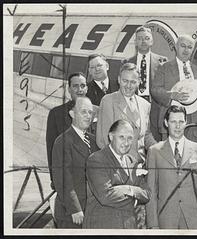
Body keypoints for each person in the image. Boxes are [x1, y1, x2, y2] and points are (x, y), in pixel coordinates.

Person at [146, 105, 197, 229]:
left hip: (195, 220)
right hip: (166, 221)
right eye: (173, 122)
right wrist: (153, 225)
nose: (177, 126)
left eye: (181, 122)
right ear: (166, 123)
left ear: (186, 122)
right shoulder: (154, 152)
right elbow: (151, 191)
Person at [83, 119, 151, 228]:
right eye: (122, 137)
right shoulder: (97, 159)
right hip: (103, 227)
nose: (126, 142)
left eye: (130, 138)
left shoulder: (132, 161)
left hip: (128, 227)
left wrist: (129, 190)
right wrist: (134, 193)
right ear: (111, 136)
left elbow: (147, 193)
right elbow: (105, 196)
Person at [151, 34, 197, 142]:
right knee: (169, 155)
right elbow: (155, 90)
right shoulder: (164, 68)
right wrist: (172, 95)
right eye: (183, 46)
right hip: (170, 119)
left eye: (189, 47)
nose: (186, 50)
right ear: (176, 47)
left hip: (193, 121)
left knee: (190, 156)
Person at [51, 96, 99, 228]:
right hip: (71, 214)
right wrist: (75, 208)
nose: (88, 116)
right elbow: (62, 179)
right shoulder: (62, 141)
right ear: (72, 114)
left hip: (90, 210)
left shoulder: (94, 141)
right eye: (83, 112)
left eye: (90, 112)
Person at [96, 63, 156, 162]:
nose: (128, 86)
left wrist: (161, 149)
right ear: (119, 80)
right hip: (117, 165)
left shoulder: (145, 105)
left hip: (141, 164)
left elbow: (146, 135)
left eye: (133, 82)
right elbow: (104, 139)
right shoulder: (108, 101)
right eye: (125, 81)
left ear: (139, 82)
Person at [122, 26, 168, 141]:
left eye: (147, 38)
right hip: (134, 105)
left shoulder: (162, 62)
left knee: (154, 140)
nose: (143, 41)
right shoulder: (127, 62)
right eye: (140, 38)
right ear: (135, 42)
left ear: (152, 41)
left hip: (155, 107)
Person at [46, 72, 88, 190]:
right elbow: (51, 149)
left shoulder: (97, 112)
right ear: (69, 89)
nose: (79, 89)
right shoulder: (56, 114)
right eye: (75, 86)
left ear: (87, 88)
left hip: (93, 179)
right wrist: (55, 179)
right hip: (68, 180)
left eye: (82, 85)